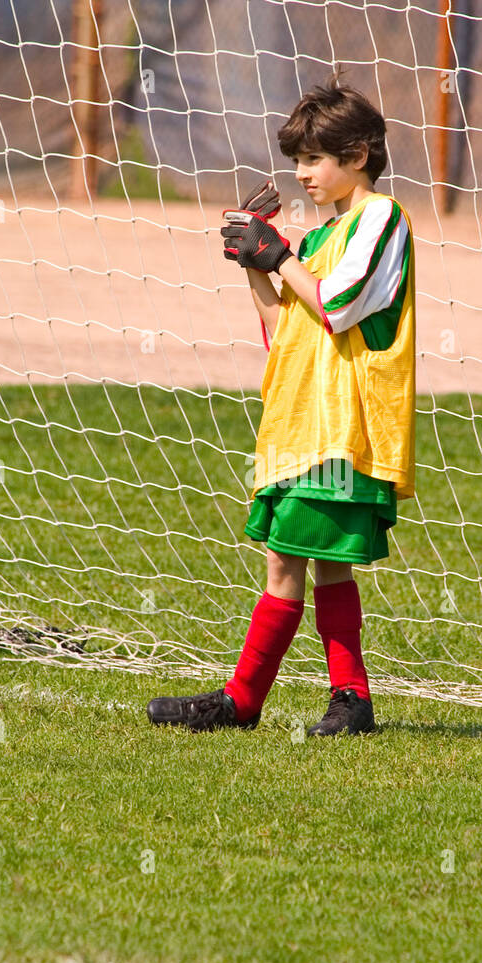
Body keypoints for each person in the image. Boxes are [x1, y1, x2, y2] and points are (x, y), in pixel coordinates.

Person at [146, 71, 416, 735]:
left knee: (286, 557)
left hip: (342, 424)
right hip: (299, 419)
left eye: (315, 159)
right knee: (317, 561)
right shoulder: (323, 238)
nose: (303, 174)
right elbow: (282, 329)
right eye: (296, 161)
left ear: (358, 157)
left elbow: (338, 306)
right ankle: (350, 700)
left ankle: (243, 701)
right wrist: (253, 260)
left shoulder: (381, 219)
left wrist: (281, 252)